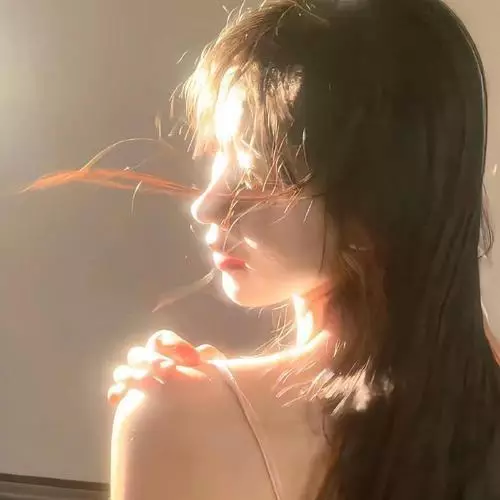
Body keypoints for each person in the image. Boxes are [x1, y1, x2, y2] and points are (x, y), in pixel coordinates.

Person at [31, 0, 500, 498]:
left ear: (379, 202)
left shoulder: (171, 418)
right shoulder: (473, 405)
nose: (206, 206)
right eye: (217, 155)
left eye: (256, 170)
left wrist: (200, 410)